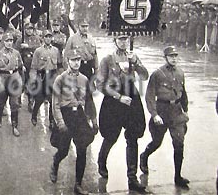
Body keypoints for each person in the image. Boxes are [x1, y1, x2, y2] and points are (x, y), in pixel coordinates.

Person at [96, 34, 149, 192]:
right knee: (111, 136)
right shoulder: (107, 59)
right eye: (120, 39)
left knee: (133, 138)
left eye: (126, 39)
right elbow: (100, 84)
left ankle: (132, 178)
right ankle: (101, 161)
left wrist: (135, 63)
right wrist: (118, 97)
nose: (123, 42)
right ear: (115, 41)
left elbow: (144, 76)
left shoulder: (133, 57)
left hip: (131, 98)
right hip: (114, 100)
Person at [140, 46, 190, 189]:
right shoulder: (157, 74)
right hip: (162, 110)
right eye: (171, 56)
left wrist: (185, 111)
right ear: (165, 58)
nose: (174, 58)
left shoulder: (181, 73)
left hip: (176, 112)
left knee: (179, 144)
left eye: (175, 56)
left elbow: (183, 93)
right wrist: (154, 115)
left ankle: (178, 176)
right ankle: (144, 156)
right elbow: (150, 96)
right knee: (156, 142)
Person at [49, 49, 97, 195]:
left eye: (78, 60)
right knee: (63, 150)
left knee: (82, 150)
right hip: (66, 115)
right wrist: (60, 123)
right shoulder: (60, 79)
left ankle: (78, 184)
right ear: (67, 61)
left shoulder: (84, 79)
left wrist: (94, 120)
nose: (76, 63)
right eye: (73, 60)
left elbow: (89, 101)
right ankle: (55, 163)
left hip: (79, 116)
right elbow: (55, 104)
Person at [0, 32, 24, 137]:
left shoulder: (16, 53)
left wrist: (21, 80)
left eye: (11, 41)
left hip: (14, 78)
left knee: (14, 103)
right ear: (3, 42)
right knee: (1, 101)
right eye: (7, 41)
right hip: (2, 78)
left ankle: (15, 125)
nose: (9, 43)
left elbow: (20, 66)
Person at [29, 29, 63, 128]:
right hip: (41, 76)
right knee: (39, 99)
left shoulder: (56, 50)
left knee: (53, 100)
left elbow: (60, 65)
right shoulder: (38, 51)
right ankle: (34, 115)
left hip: (52, 76)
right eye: (46, 37)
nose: (48, 39)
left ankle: (51, 121)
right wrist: (33, 79)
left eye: (49, 37)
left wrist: (62, 77)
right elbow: (34, 67)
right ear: (43, 38)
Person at [16, 23, 41, 112]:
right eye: (27, 29)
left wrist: (28, 47)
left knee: (32, 83)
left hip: (33, 65)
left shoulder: (36, 39)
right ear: (25, 29)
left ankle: (31, 101)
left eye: (31, 29)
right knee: (21, 83)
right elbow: (16, 53)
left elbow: (39, 49)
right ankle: (18, 99)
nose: (29, 30)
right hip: (23, 64)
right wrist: (20, 64)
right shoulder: (20, 39)